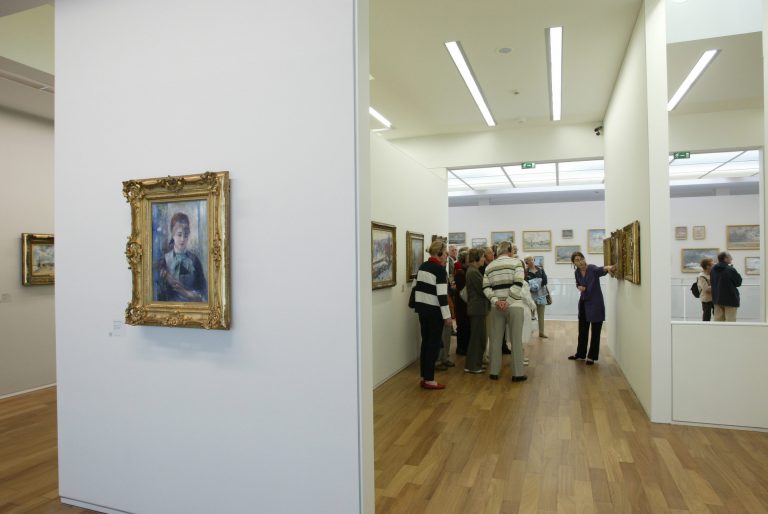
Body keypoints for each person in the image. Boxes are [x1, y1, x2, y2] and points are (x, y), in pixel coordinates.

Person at [483, 241, 527, 382]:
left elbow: (486, 287)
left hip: (496, 308)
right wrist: (507, 301)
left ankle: (494, 372)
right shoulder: (516, 263)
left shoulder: (490, 266)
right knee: (516, 340)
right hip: (515, 306)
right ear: (510, 251)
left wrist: (497, 301)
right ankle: (517, 374)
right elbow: (518, 283)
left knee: (495, 340)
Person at [413, 239, 453, 389]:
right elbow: (442, 297)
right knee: (433, 345)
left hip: (422, 311)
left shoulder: (423, 266)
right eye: (445, 253)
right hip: (435, 313)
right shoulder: (440, 270)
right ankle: (429, 380)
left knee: (426, 343)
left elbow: (416, 288)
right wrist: (447, 317)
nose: (446, 256)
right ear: (440, 253)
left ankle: (424, 376)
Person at [568, 252, 613, 365]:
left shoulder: (592, 269)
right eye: (576, 260)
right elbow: (577, 284)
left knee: (596, 331)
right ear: (573, 263)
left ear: (584, 259)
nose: (579, 261)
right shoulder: (577, 272)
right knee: (582, 330)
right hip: (583, 303)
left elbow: (602, 270)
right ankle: (580, 354)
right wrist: (579, 287)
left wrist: (609, 267)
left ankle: (592, 356)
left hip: (595, 303)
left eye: (580, 258)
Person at [155, 212, 208, 302]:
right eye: (179, 235)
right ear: (173, 234)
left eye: (186, 235)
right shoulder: (164, 261)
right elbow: (160, 295)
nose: (182, 239)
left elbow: (203, 292)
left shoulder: (194, 260)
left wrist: (186, 293)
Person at [464, 248, 488, 373]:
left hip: (478, 309)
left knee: (478, 337)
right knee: (477, 338)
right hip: (477, 309)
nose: (484, 259)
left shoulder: (474, 271)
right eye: (483, 257)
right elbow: (483, 289)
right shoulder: (473, 272)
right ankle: (473, 366)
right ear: (477, 258)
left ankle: (474, 364)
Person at [710, 251, 742, 322]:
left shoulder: (713, 269)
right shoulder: (730, 269)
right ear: (725, 258)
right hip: (730, 299)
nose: (732, 258)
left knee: (718, 322)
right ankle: (730, 333)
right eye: (730, 257)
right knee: (730, 321)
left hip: (717, 299)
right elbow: (738, 283)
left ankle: (719, 333)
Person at [524, 256, 549, 338]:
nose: (531, 261)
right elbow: (524, 282)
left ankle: (541, 332)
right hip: (530, 296)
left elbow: (545, 280)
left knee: (541, 314)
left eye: (532, 260)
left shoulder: (540, 270)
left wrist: (538, 283)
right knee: (530, 315)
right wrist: (532, 285)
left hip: (541, 295)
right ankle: (529, 333)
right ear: (526, 262)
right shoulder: (525, 272)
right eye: (529, 260)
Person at [453, 251, 470, 356]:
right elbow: (462, 289)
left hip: (464, 302)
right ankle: (461, 348)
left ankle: (465, 347)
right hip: (461, 302)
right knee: (462, 325)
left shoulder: (466, 271)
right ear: (464, 260)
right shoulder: (460, 272)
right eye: (468, 258)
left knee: (466, 325)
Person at [697, 257, 714, 322]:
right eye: (712, 264)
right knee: (707, 317)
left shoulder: (712, 274)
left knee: (717, 315)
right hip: (706, 300)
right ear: (707, 266)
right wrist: (717, 286)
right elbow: (706, 289)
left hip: (714, 298)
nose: (714, 265)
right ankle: (704, 329)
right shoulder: (701, 276)